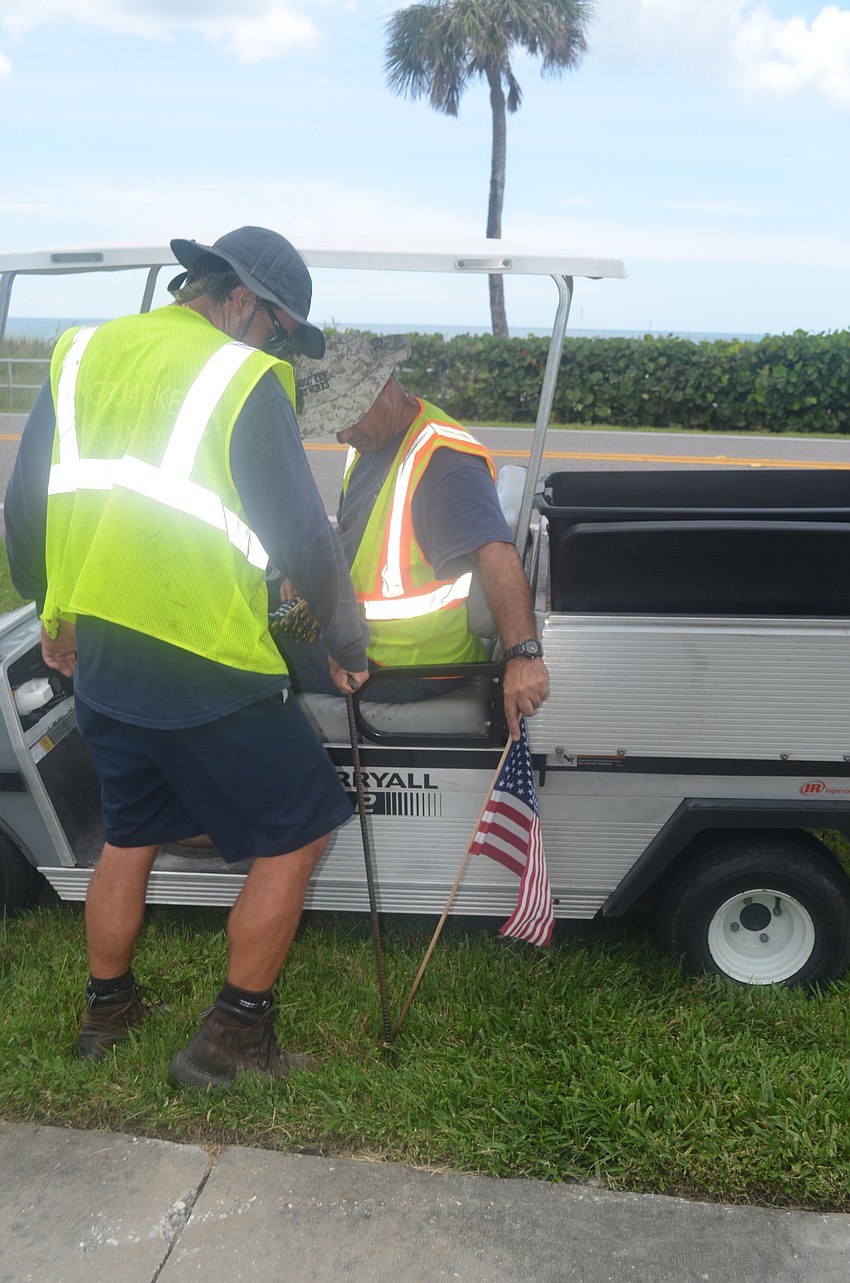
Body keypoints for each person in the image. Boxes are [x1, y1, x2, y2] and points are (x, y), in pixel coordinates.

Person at [4, 227, 370, 1090]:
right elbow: (303, 539)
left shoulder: (82, 350)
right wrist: (345, 645)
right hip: (207, 657)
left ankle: (108, 1009)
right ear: (238, 295)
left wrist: (51, 610)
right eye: (279, 326)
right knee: (301, 829)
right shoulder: (245, 377)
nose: (278, 344)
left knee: (130, 833)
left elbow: (27, 505)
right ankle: (230, 1043)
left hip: (102, 658)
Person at [274, 332, 549, 741]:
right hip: (367, 640)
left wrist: (522, 657)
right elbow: (357, 530)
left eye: (348, 415)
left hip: (406, 664)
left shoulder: (443, 463)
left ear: (385, 386)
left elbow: (497, 552)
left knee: (245, 653)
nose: (342, 435)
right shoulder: (372, 443)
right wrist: (310, 567)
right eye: (334, 421)